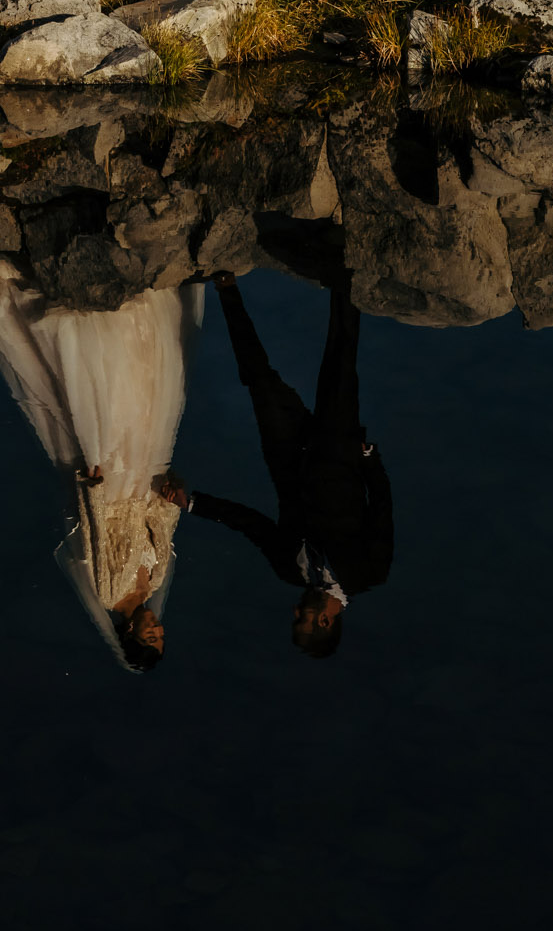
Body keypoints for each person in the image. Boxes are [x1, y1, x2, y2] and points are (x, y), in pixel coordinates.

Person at [0, 238, 203, 671]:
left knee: (100, 396)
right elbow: (161, 521)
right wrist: (172, 494)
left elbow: (90, 534)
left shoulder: (109, 590)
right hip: (145, 472)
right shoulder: (158, 577)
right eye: (162, 634)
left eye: (151, 635)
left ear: (128, 632)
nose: (158, 627)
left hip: (108, 483)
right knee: (145, 387)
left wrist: (93, 486)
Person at [159, 274, 391, 660]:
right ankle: (346, 271)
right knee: (340, 361)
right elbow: (382, 509)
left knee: (258, 380)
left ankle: (227, 288)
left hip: (286, 452)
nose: (295, 610)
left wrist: (192, 503)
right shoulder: (370, 572)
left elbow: (250, 523)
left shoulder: (289, 570)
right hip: (337, 448)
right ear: (324, 622)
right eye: (302, 619)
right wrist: (368, 460)